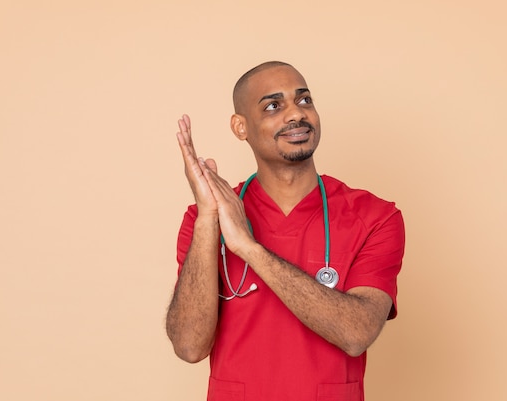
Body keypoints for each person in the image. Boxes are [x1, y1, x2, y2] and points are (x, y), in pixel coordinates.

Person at [166, 61, 405, 401]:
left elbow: (356, 333)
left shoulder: (375, 217)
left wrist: (249, 248)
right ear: (240, 127)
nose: (296, 115)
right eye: (274, 106)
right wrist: (209, 218)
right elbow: (189, 346)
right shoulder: (202, 220)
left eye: (304, 100)